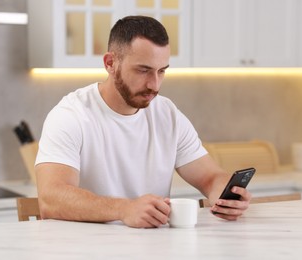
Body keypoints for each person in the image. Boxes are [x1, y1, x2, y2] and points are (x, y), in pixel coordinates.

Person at [35, 15, 251, 228]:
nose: (154, 85)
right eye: (143, 70)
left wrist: (226, 196)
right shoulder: (70, 115)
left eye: (162, 71)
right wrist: (123, 209)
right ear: (110, 63)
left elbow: (209, 177)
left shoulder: (167, 114)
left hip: (154, 247)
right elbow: (51, 198)